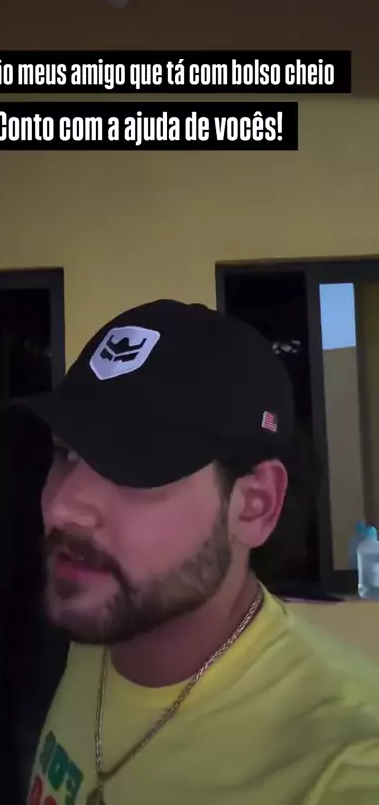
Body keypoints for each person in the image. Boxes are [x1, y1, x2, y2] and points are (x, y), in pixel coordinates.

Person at [22, 300, 379, 805]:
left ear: (254, 505)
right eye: (68, 452)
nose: (61, 506)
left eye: (135, 465)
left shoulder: (343, 764)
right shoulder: (101, 625)